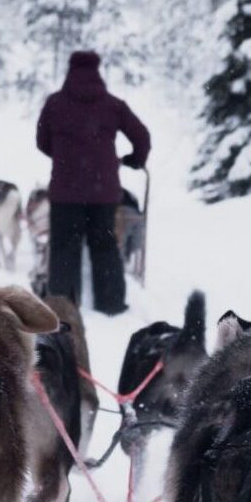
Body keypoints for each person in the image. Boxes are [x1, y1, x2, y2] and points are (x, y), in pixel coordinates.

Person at [35, 50, 150, 315]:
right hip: (104, 193)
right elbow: (142, 136)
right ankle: (110, 304)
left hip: (65, 193)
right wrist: (134, 159)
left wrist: (65, 156)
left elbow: (41, 142)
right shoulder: (112, 104)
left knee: (64, 248)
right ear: (98, 71)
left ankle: (63, 307)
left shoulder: (54, 104)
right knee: (105, 247)